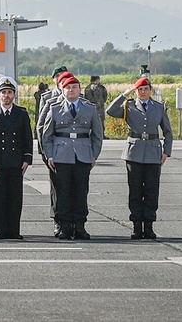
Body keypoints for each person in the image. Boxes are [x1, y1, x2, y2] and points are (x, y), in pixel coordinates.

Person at [106, 76, 173, 240]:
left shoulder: (158, 108)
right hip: (134, 152)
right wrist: (124, 94)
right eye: (139, 89)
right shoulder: (128, 106)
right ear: (135, 91)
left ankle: (149, 225)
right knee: (135, 190)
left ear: (150, 91)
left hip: (153, 152)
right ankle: (136, 225)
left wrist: (166, 151)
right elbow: (110, 111)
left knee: (151, 191)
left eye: (145, 89)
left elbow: (168, 131)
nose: (143, 92)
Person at [39, 72, 103, 240]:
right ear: (62, 89)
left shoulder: (89, 108)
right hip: (61, 154)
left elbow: (97, 134)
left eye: (75, 87)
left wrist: (94, 154)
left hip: (83, 154)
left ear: (80, 89)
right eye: (68, 87)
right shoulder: (54, 107)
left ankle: (80, 225)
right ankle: (65, 226)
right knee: (63, 192)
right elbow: (46, 134)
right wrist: (49, 156)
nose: (71, 90)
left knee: (81, 191)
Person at [0, 76, 32, 240]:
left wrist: (27, 159)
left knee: (15, 198)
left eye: (10, 92)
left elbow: (27, 138)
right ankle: (0, 230)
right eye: (3, 92)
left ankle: (14, 230)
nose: (6, 95)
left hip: (16, 162)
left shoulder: (21, 114)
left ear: (14, 95)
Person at [33, 66, 68, 237]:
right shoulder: (47, 97)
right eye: (59, 77)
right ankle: (58, 220)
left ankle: (74, 222)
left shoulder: (78, 96)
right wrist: (45, 152)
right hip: (54, 149)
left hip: (74, 151)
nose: (62, 79)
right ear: (55, 79)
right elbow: (41, 126)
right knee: (57, 188)